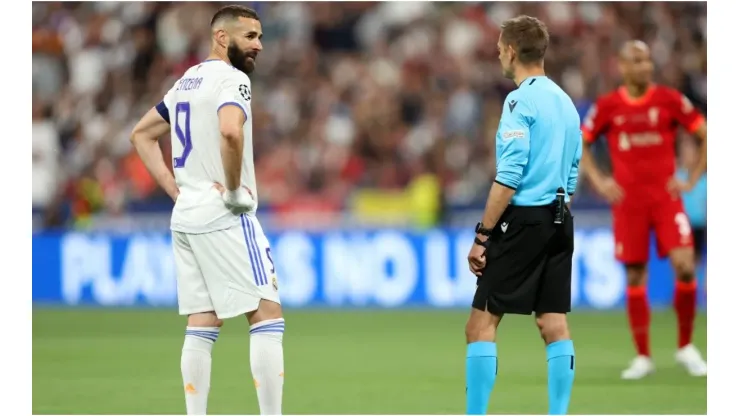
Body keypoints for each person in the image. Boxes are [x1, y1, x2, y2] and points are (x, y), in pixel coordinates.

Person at [130, 6, 284, 415]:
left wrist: (174, 189)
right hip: (223, 214)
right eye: (250, 36)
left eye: (260, 37)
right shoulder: (233, 80)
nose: (259, 46)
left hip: (187, 217)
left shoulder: (186, 81)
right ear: (222, 37)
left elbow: (141, 134)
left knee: (203, 320)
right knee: (267, 313)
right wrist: (234, 191)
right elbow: (231, 130)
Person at [465, 15, 581, 416]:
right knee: (552, 323)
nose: (498, 54)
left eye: (500, 48)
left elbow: (509, 176)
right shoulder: (566, 102)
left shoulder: (519, 100)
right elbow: (572, 172)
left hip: (525, 218)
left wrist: (483, 235)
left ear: (512, 51)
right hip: (560, 219)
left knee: (480, 325)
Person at [580, 40, 708, 380]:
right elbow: (583, 142)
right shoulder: (608, 106)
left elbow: (704, 132)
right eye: (636, 61)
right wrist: (601, 181)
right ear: (622, 66)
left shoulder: (669, 99)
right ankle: (643, 356)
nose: (644, 67)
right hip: (629, 203)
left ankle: (685, 346)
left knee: (685, 265)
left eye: (647, 60)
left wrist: (693, 177)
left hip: (666, 199)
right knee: (636, 275)